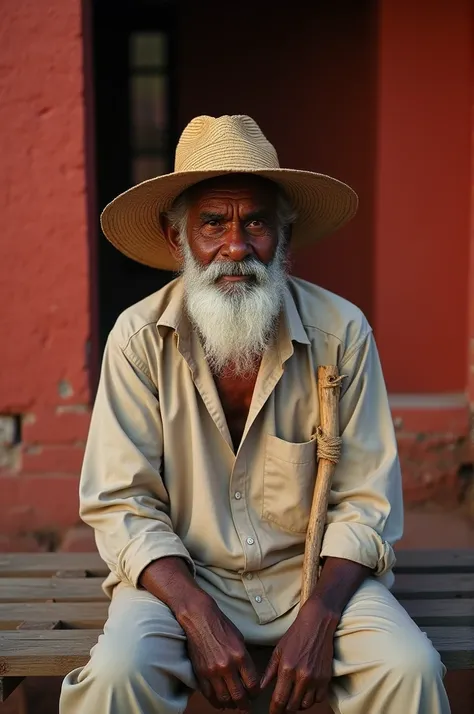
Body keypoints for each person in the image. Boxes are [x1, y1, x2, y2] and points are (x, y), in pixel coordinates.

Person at [60, 115, 450, 714]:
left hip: (316, 581)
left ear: (284, 238)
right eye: (213, 223)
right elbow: (122, 504)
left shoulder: (341, 333)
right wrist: (196, 614)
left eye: (256, 223)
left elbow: (368, 502)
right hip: (179, 583)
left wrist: (320, 614)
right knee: (116, 677)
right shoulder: (139, 339)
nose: (236, 247)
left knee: (409, 670)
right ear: (177, 238)